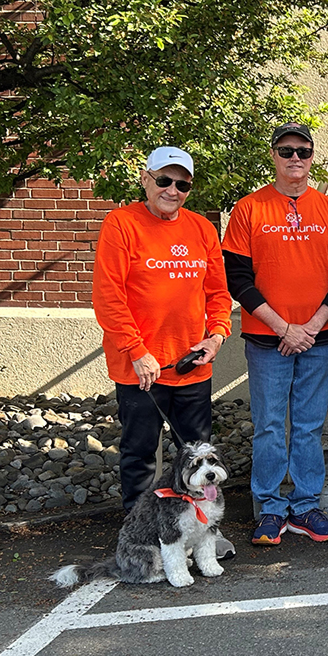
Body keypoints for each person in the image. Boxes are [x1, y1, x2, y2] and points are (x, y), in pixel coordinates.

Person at [223, 123, 328, 546]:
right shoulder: (249, 209)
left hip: (317, 338)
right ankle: (269, 508)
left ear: (312, 157)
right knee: (267, 425)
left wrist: (312, 326)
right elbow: (237, 278)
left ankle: (304, 506)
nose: (295, 159)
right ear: (273, 156)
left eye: (303, 151)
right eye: (286, 151)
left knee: (307, 426)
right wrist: (284, 328)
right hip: (269, 341)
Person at [93, 147, 233, 551]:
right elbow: (107, 296)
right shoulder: (121, 224)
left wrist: (217, 335)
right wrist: (137, 350)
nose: (173, 190)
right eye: (165, 180)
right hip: (140, 368)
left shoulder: (202, 229)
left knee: (200, 461)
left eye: (182, 184)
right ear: (145, 178)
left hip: (192, 366)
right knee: (140, 456)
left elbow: (218, 293)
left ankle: (204, 532)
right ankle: (140, 537)